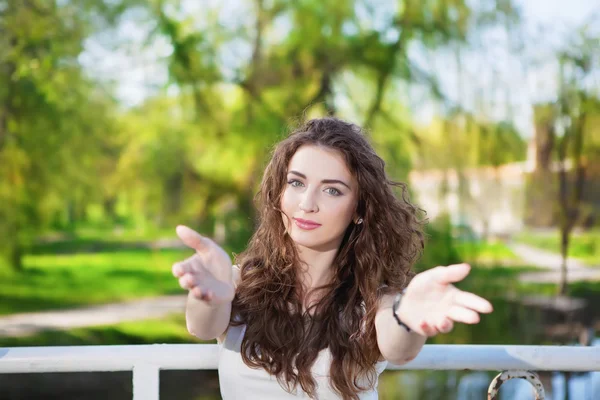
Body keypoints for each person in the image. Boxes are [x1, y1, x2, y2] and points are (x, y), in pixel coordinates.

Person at [172, 117, 493, 400]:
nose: (307, 203)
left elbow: (399, 347)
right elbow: (201, 326)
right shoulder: (238, 283)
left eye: (332, 190)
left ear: (358, 210)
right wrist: (209, 297)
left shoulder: (377, 300)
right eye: (296, 183)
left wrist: (407, 319)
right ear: (279, 192)